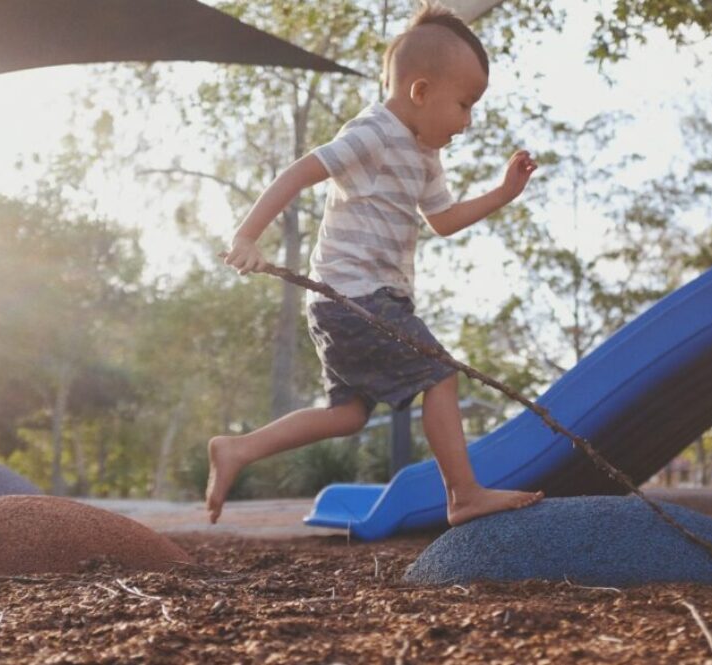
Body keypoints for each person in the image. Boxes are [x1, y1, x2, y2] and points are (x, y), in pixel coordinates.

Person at [208, 3, 543, 526]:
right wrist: (248, 235)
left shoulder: (424, 155)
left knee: (346, 415)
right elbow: (299, 172)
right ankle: (464, 494)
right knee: (442, 376)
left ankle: (238, 449)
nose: (468, 121)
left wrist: (503, 192)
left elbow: (445, 220)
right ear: (420, 91)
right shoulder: (374, 133)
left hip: (351, 302)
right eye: (464, 104)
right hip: (355, 296)